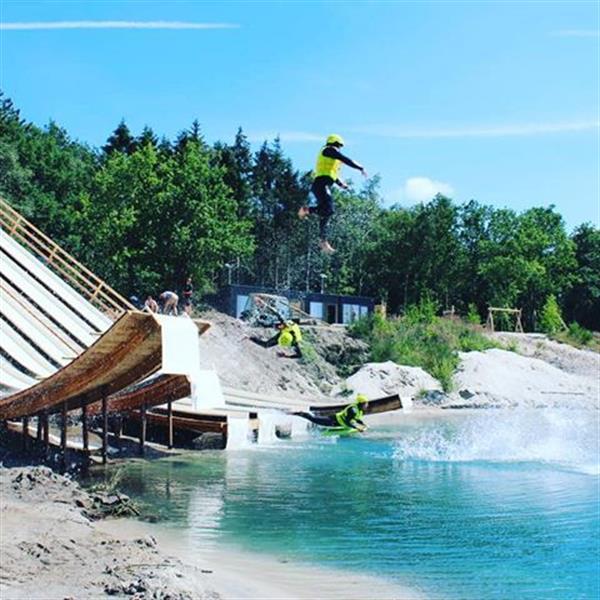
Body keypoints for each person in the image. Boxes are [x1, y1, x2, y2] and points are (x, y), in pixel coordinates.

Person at [298, 134, 368, 254]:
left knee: (327, 212)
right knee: (328, 209)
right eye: (339, 146)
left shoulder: (331, 158)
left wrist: (341, 185)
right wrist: (360, 168)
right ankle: (307, 210)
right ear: (335, 143)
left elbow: (333, 175)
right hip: (320, 184)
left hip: (323, 185)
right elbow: (345, 159)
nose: (339, 148)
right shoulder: (328, 150)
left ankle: (323, 241)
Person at [294, 394, 369, 432]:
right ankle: (299, 413)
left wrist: (363, 424)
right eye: (365, 403)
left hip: (337, 422)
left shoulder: (359, 410)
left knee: (318, 422)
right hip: (333, 420)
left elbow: (357, 419)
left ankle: (312, 427)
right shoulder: (353, 410)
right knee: (313, 419)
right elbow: (347, 421)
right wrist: (357, 428)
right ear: (361, 403)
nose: (367, 405)